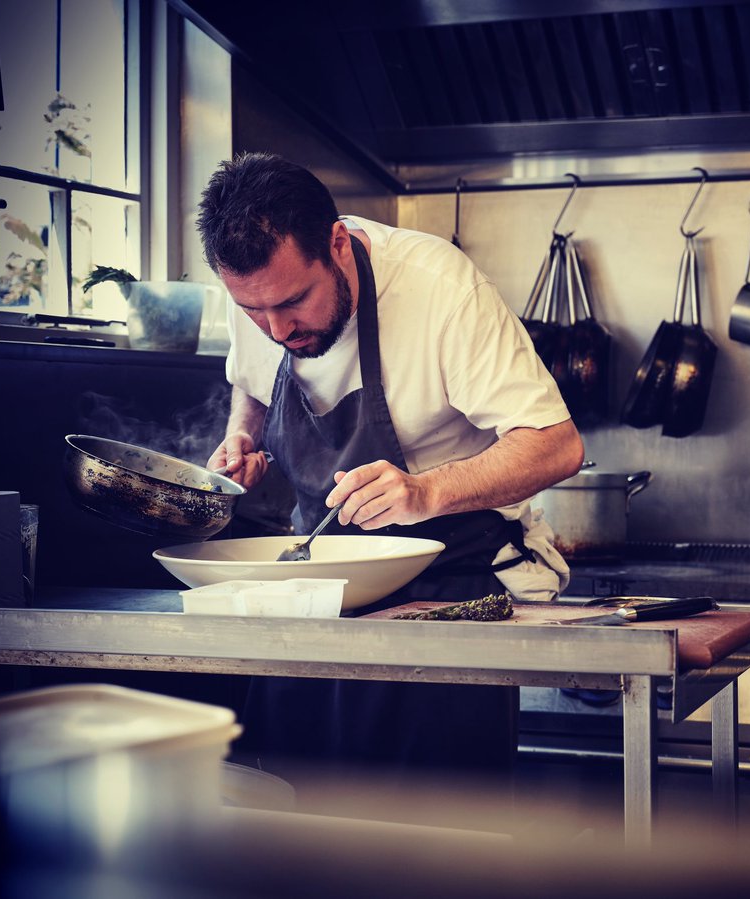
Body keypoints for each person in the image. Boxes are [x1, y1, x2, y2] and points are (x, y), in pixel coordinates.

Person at [196, 152, 583, 785]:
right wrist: (242, 435)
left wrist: (426, 491)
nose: (277, 328)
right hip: (316, 589)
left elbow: (555, 444)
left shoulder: (442, 289)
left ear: (338, 245)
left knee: (434, 832)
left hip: (447, 585)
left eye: (294, 302)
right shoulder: (262, 293)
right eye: (254, 313)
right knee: (298, 819)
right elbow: (252, 382)